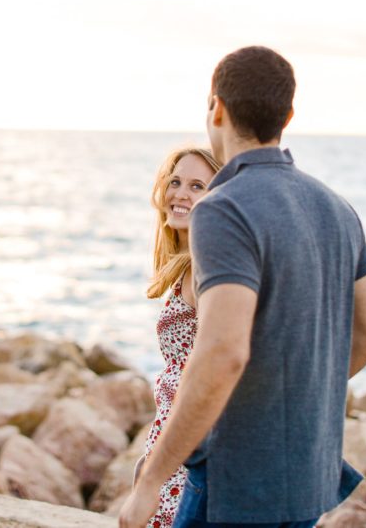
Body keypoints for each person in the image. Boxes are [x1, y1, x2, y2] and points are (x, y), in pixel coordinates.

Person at [120, 46, 366, 528]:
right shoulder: (339, 210)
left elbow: (223, 352)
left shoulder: (222, 208)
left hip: (232, 481)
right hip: (306, 476)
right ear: (287, 115)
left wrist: (151, 481)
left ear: (216, 107)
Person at [140, 147, 223, 528]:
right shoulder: (190, 264)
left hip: (190, 453)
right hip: (173, 445)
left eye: (197, 186)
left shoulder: (206, 268)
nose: (180, 194)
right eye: (175, 182)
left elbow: (217, 366)